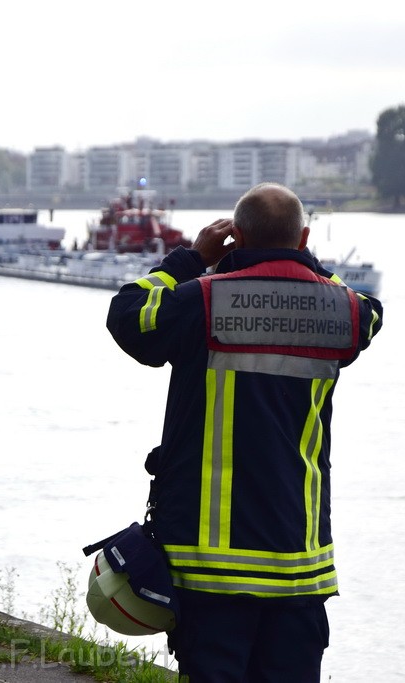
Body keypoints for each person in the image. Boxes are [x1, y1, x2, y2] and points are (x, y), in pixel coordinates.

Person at [105, 183, 384, 682]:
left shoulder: (203, 302)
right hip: (299, 567)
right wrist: (304, 262)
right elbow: (368, 310)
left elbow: (128, 314)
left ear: (235, 236)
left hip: (212, 570)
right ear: (302, 238)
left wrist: (188, 260)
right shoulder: (342, 311)